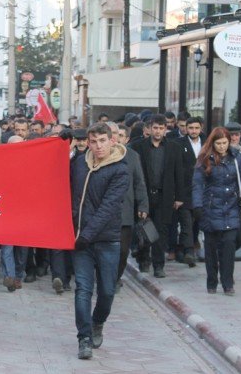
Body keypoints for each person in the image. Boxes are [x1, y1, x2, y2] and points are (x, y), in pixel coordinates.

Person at [71, 122, 129, 360]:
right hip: (81, 241)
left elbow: (108, 208)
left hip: (107, 239)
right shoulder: (79, 164)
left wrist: (87, 234)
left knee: (106, 290)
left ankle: (98, 322)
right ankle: (84, 338)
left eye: (102, 141)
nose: (98, 146)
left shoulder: (121, 169)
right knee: (83, 289)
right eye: (93, 142)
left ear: (112, 140)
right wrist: (62, 144)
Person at [192, 127, 241, 296]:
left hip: (231, 207)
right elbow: (197, 184)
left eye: (225, 143)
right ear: (212, 143)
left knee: (228, 247)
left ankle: (228, 283)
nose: (222, 147)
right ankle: (211, 281)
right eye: (218, 143)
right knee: (211, 249)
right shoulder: (205, 159)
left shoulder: (236, 158)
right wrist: (197, 206)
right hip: (210, 208)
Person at [130, 114, 184, 278]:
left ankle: (159, 265)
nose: (158, 131)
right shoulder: (138, 147)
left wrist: (179, 196)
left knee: (161, 231)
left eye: (161, 128)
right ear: (149, 128)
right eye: (155, 128)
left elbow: (179, 174)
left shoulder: (173, 148)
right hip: (144, 195)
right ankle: (143, 260)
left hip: (164, 196)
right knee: (144, 229)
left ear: (166, 129)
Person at [106, 122, 148, 289]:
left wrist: (143, 206)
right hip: (102, 213)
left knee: (123, 251)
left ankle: (116, 278)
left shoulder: (131, 155)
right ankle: (104, 279)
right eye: (110, 133)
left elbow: (139, 182)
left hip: (125, 211)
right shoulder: (95, 154)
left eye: (117, 133)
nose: (114, 137)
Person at [174, 116, 204, 266]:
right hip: (185, 190)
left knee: (196, 221)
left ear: (201, 128)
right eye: (190, 128)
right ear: (186, 128)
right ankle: (188, 252)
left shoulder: (206, 143)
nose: (193, 131)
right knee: (186, 222)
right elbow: (177, 169)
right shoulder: (179, 144)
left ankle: (183, 247)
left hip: (202, 190)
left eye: (196, 128)